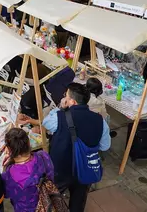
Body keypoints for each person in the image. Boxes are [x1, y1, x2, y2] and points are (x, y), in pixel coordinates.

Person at [41, 83, 110, 212]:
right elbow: (105, 146)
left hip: (61, 169)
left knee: (53, 199)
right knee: (78, 202)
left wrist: (60, 107)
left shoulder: (59, 116)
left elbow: (46, 123)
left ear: (71, 101)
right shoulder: (100, 120)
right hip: (85, 168)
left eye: (65, 96)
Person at [2, 128, 55, 212]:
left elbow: (6, 194)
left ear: (8, 149)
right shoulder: (43, 156)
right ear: (29, 142)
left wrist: (5, 166)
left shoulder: (10, 174)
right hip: (48, 204)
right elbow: (51, 176)